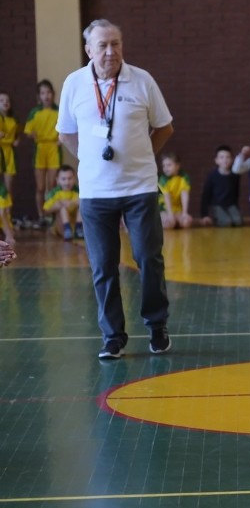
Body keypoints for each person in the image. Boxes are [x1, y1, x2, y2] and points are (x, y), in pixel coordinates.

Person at [56, 18, 174, 360]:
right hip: (95, 194)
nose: (111, 51)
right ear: (89, 50)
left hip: (140, 188)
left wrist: (142, 158)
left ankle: (157, 325)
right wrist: (91, 161)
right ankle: (113, 337)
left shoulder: (142, 80)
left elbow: (164, 128)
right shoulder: (74, 84)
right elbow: (65, 133)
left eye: (116, 44)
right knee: (103, 265)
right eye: (103, 45)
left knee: (148, 257)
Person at [25, 80, 61, 227]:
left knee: (51, 185)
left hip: (54, 148)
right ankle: (41, 216)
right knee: (40, 187)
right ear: (39, 96)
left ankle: (51, 215)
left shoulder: (59, 110)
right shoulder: (34, 112)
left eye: (48, 92)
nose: (46, 96)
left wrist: (61, 139)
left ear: (53, 94)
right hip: (40, 149)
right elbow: (28, 131)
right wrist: (32, 134)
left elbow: (66, 128)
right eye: (43, 93)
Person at [199, 145, 242, 227]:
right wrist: (204, 215)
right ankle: (217, 219)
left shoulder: (235, 175)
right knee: (227, 222)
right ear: (216, 160)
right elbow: (205, 195)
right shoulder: (212, 176)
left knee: (238, 221)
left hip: (230, 204)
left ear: (232, 160)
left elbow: (236, 192)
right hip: (217, 205)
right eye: (221, 157)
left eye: (228, 157)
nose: (225, 160)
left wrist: (236, 207)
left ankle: (229, 215)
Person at [43, 164, 83, 240]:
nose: (67, 182)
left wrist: (74, 202)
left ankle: (78, 228)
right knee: (62, 208)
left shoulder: (78, 192)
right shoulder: (54, 193)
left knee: (82, 203)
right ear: (57, 180)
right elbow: (45, 210)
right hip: (61, 224)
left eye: (69, 178)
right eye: (63, 179)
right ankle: (67, 229)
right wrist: (56, 206)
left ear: (74, 178)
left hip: (75, 222)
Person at [158, 152, 193, 229]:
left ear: (177, 166)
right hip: (164, 209)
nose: (166, 168)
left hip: (177, 209)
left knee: (187, 222)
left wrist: (184, 213)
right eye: (164, 166)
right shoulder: (163, 180)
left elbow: (184, 194)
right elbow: (167, 197)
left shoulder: (184, 177)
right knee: (169, 223)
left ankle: (177, 221)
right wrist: (170, 215)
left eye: (169, 165)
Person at [0, 91, 20, 201]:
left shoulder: (13, 120)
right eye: (2, 100)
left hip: (9, 153)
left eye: (7, 100)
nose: (5, 102)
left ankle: (8, 216)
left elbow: (16, 135)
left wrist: (16, 140)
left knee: (9, 187)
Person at [0, 180, 13, 245]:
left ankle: (8, 234)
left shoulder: (2, 192)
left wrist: (9, 235)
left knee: (2, 213)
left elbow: (3, 213)